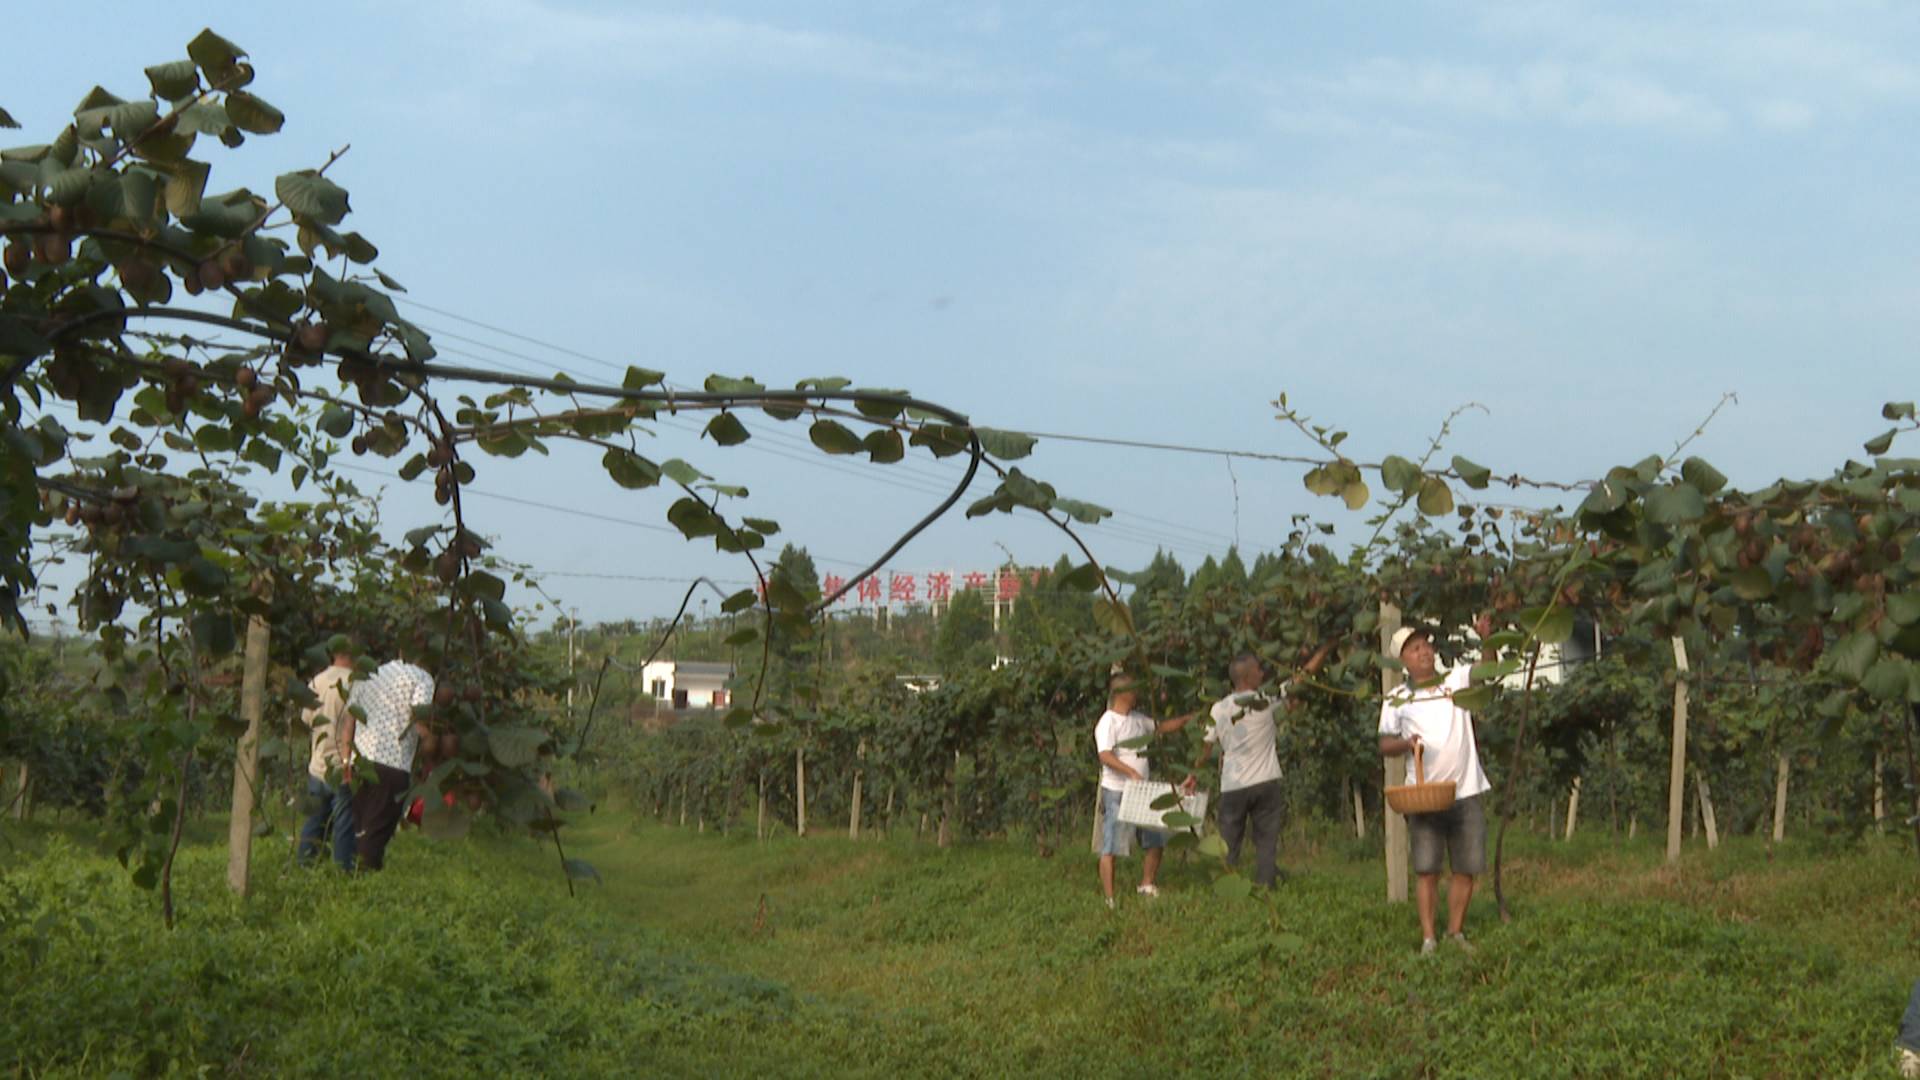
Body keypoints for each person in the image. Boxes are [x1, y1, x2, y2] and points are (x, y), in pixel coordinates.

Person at [1378, 615, 1493, 955]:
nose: (1424, 651)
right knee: (1427, 869)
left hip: (1465, 789)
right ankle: (1429, 938)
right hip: (1424, 797)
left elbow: (1486, 672)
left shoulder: (1454, 681)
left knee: (1467, 867)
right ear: (1404, 661)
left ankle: (1455, 932)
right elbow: (1385, 744)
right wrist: (1406, 743)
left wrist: (1487, 640)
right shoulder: (1397, 698)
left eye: (1426, 645)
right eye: (1415, 648)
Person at [1182, 644, 1333, 888]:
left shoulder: (1218, 709)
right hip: (1266, 782)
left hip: (1233, 785)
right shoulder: (1267, 700)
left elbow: (1206, 746)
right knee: (1266, 842)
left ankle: (1228, 889)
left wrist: (1193, 775)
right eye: (1258, 670)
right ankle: (1266, 886)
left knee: (1228, 843)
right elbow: (1301, 677)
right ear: (1248, 676)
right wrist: (1325, 649)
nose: (1263, 674)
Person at [1094, 674, 1194, 908]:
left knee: (1154, 838)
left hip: (1141, 792)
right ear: (1121, 693)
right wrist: (1129, 771)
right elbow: (1105, 755)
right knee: (1111, 845)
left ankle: (1147, 884)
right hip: (1118, 791)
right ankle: (1110, 898)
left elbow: (1161, 727)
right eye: (1133, 689)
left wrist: (1187, 719)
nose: (1137, 693)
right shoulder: (1108, 721)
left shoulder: (1138, 720)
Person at [338, 654, 436, 872]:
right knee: (375, 832)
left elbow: (349, 720)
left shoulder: (368, 675)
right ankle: (360, 885)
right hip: (392, 764)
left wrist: (346, 759)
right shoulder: (423, 678)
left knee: (359, 826)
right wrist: (432, 740)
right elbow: (419, 721)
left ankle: (344, 877)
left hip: (359, 761)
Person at [295, 646, 357, 870]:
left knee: (314, 820)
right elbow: (353, 726)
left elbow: (306, 720)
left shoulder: (317, 681)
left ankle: (305, 863)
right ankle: (343, 871)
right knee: (343, 822)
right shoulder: (355, 684)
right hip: (342, 765)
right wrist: (347, 762)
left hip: (317, 764)